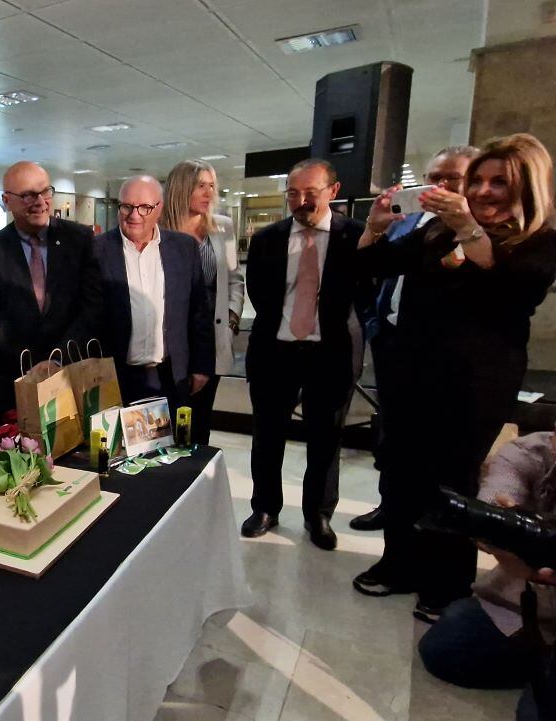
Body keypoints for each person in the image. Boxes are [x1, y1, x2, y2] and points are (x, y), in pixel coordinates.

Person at [351, 133, 556, 623]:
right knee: (400, 473)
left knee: (450, 482)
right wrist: (375, 230)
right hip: (410, 372)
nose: (484, 192)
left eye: (497, 182)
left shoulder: (538, 241)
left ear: (526, 186)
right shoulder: (436, 232)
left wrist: (465, 224)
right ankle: (398, 564)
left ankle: (445, 582)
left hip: (472, 385)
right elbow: (372, 266)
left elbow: (509, 289)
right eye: (479, 181)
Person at [351, 145, 479, 533]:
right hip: (392, 340)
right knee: (393, 440)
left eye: (451, 178)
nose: (440, 186)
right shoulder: (409, 223)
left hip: (446, 357)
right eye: (433, 178)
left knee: (438, 454)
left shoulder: (478, 232)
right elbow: (373, 269)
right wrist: (375, 324)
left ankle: (428, 525)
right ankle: (392, 509)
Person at [241, 158, 367, 551]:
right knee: (267, 434)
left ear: (333, 190)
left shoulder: (356, 237)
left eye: (310, 193)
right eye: (293, 193)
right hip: (275, 351)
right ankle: (265, 507)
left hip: (329, 353)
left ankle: (318, 514)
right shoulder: (267, 239)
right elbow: (260, 295)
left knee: (325, 438)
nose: (301, 201)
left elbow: (364, 294)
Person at [417, 430, 556, 691]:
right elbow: (498, 492)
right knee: (444, 646)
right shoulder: (527, 453)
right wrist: (499, 525)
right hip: (531, 598)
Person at [0, 161, 102, 428]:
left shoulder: (78, 239)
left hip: (70, 375)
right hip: (9, 382)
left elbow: (91, 306)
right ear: (7, 200)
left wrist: (56, 360)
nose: (40, 202)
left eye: (45, 192)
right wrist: (34, 367)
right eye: (28, 195)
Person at [93, 175, 214, 412]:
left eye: (145, 207)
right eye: (127, 206)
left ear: (159, 208)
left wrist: (201, 366)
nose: (134, 215)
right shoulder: (96, 250)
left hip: (170, 375)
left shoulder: (184, 248)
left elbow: (199, 311)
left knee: (171, 448)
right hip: (114, 376)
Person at [161, 159, 245, 443]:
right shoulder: (158, 230)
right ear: (181, 189)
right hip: (171, 338)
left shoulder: (222, 228)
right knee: (169, 421)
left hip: (211, 336)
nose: (209, 193)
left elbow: (234, 278)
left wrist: (232, 319)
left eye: (212, 186)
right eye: (201, 186)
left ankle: (196, 479)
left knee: (199, 422)